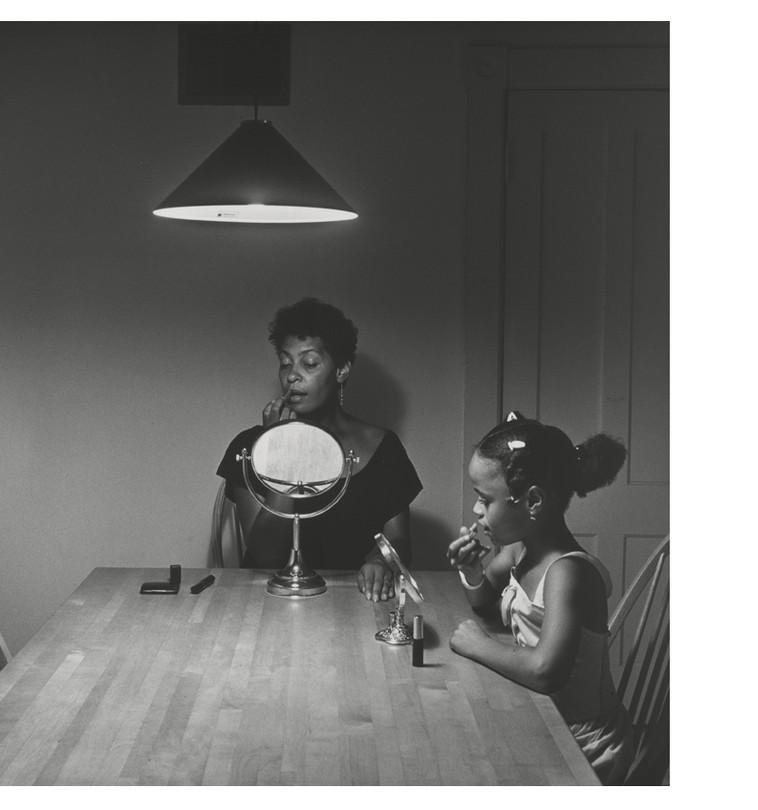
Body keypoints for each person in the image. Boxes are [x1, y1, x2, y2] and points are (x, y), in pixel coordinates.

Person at [445, 412, 633, 784]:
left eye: (485, 499)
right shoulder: (519, 549)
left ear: (532, 501)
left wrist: (476, 644)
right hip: (542, 713)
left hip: (583, 743)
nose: (476, 511)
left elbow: (546, 671)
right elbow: (484, 604)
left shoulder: (567, 572)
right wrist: (471, 571)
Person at [216, 298, 422, 602]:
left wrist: (381, 560)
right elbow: (264, 555)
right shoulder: (251, 448)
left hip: (356, 601)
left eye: (309, 363)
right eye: (285, 363)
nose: (292, 375)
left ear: (341, 371)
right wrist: (281, 454)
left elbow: (399, 540)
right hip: (270, 602)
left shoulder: (382, 447)